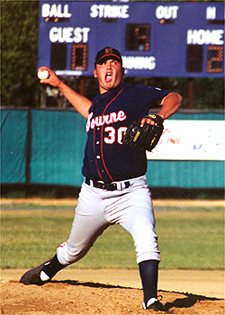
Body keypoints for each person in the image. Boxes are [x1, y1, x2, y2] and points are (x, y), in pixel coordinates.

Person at [20, 47, 182, 312]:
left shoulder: (133, 94)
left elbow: (174, 97)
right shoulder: (97, 106)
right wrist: (59, 84)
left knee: (146, 237)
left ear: (121, 70)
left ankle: (150, 300)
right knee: (74, 250)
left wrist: (158, 115)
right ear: (95, 72)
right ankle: (48, 269)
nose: (109, 67)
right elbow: (88, 111)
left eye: (114, 63)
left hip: (131, 193)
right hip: (93, 195)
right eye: (104, 63)